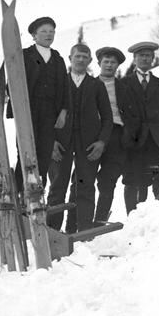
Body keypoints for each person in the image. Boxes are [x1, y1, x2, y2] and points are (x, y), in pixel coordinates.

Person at [49, 43, 112, 233]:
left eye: (85, 57)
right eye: (77, 56)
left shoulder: (97, 85)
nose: (81, 60)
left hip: (88, 145)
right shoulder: (59, 84)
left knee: (85, 187)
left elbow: (108, 118)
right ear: (70, 59)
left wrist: (101, 142)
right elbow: (48, 116)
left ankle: (84, 233)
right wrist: (51, 141)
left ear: (91, 61)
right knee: (57, 187)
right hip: (61, 143)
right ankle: (52, 233)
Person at [14, 16, 69, 186]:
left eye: (51, 31)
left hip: (51, 111)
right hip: (28, 109)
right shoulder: (24, 55)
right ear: (34, 35)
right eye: (44, 31)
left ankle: (38, 192)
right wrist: (19, 109)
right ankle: (21, 192)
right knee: (26, 151)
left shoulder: (58, 59)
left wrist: (63, 111)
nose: (48, 34)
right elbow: (13, 81)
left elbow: (65, 88)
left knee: (45, 152)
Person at [119, 41, 159, 213]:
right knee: (132, 179)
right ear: (134, 59)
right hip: (133, 140)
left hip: (155, 141)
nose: (144, 59)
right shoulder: (124, 83)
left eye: (148, 55)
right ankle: (131, 216)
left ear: (153, 59)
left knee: (147, 180)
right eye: (141, 55)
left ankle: (141, 217)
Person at [93, 46, 131, 225]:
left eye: (113, 62)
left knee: (108, 180)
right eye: (106, 61)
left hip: (116, 136)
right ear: (99, 63)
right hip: (93, 135)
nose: (109, 65)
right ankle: (79, 222)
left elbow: (133, 114)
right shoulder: (89, 85)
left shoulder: (124, 88)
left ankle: (99, 221)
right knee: (83, 179)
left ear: (118, 66)